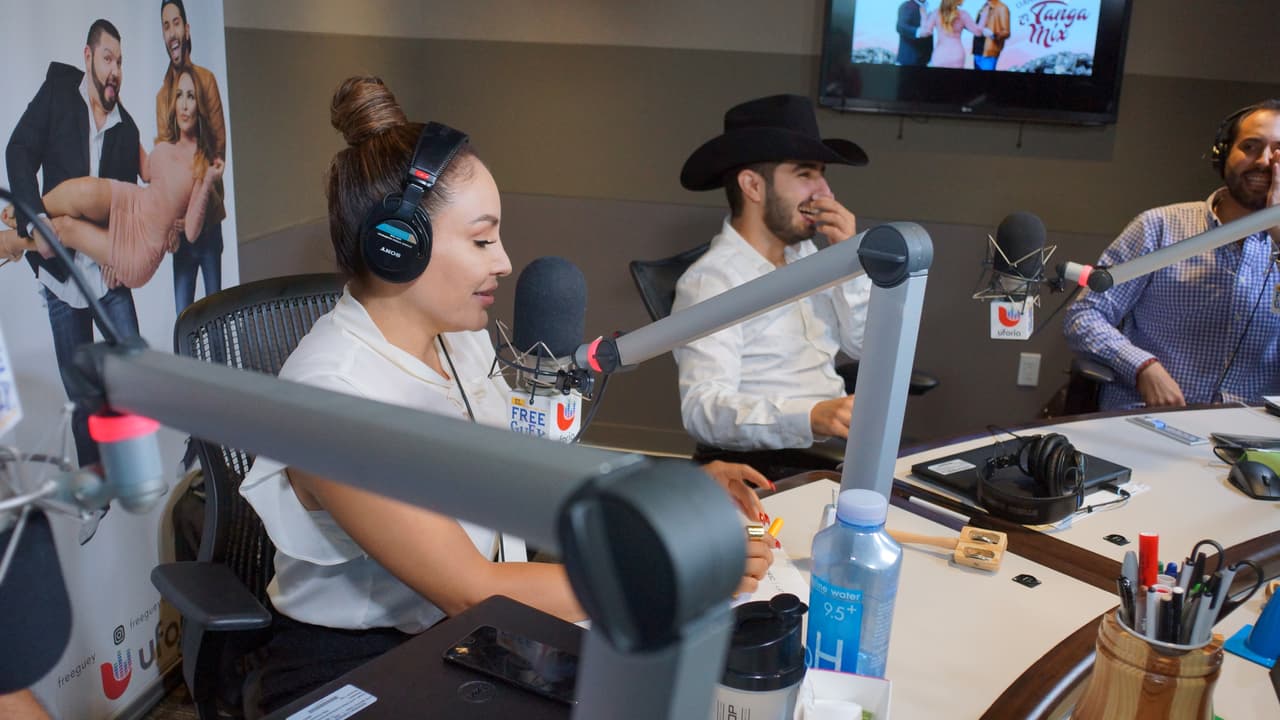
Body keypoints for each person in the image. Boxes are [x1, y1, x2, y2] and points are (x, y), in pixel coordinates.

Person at [237, 76, 775, 712]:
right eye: (482, 239)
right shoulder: (334, 399)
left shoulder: (457, 338)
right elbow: (471, 586)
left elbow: (527, 467)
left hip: (467, 638)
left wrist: (670, 494)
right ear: (399, 245)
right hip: (356, 669)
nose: (505, 262)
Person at [672, 94, 872, 462]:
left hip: (839, 452)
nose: (825, 192)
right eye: (805, 174)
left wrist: (852, 263)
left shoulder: (806, 257)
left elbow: (866, 347)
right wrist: (810, 417)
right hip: (772, 468)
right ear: (753, 186)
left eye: (823, 175)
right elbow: (703, 410)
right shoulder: (712, 281)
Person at [1062, 101, 1280, 410]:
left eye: (1278, 151)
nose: (1264, 160)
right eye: (1250, 146)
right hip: (1151, 424)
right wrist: (1141, 366)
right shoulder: (1159, 227)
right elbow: (1083, 315)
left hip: (1252, 440)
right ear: (1223, 153)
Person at [4, 19, 141, 469]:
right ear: (88, 58)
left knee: (136, 370)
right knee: (78, 384)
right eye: (107, 58)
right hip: (59, 275)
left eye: (120, 61)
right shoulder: (58, 97)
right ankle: (93, 474)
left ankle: (133, 461)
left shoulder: (128, 129)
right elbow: (19, 150)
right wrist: (35, 219)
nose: (115, 69)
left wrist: (115, 249)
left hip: (106, 271)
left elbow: (126, 204)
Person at [1, 70, 223, 290]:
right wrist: (116, 104)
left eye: (191, 97)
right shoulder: (167, 144)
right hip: (132, 204)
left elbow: (192, 232)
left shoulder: (202, 163)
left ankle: (8, 242)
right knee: (84, 190)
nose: (184, 105)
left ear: (199, 106)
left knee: (66, 228)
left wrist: (208, 181)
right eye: (179, 95)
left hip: (141, 247)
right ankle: (29, 211)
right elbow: (146, 172)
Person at [157, 0, 227, 313]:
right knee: (183, 317)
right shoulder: (162, 97)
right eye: (166, 25)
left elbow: (218, 151)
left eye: (176, 23)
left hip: (209, 224)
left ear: (187, 29)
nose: (172, 32)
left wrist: (195, 209)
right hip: (179, 235)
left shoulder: (207, 81)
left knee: (216, 318)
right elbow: (164, 162)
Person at [917, 0, 992, 69]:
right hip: (957, 55)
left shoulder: (936, 13)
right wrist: (984, 15)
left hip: (940, 55)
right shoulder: (963, 14)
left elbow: (925, 33)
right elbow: (978, 32)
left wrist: (924, 17)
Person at [972, 0, 1011, 71]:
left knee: (987, 80)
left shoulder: (1002, 8)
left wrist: (993, 35)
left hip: (989, 53)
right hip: (977, 51)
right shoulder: (985, 6)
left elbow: (1006, 32)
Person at [896, 0, 932, 67]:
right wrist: (918, 32)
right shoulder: (907, 5)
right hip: (908, 60)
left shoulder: (928, 7)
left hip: (924, 60)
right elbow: (900, 26)